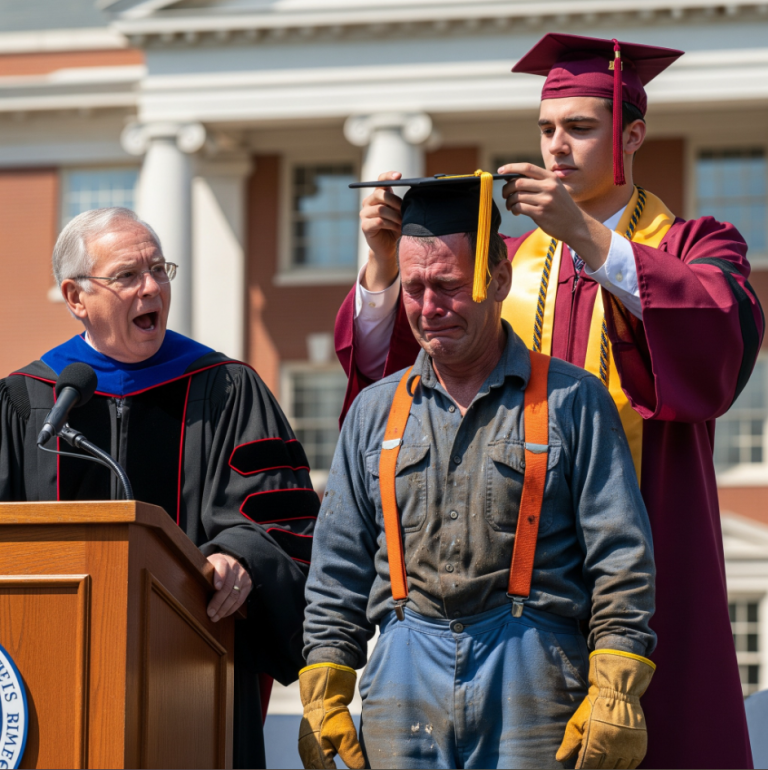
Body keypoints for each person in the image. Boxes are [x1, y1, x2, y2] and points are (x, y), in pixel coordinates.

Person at [335, 34, 763, 769]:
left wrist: (591, 241)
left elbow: (718, 339)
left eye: (580, 128)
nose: (557, 146)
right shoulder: (505, 261)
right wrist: (381, 263)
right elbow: (405, 383)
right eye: (546, 129)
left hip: (641, 549)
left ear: (632, 135)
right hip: (504, 598)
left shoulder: (694, 242)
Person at [301, 176, 657, 770]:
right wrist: (324, 689)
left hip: (537, 677)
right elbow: (337, 569)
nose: (427, 307)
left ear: (498, 280)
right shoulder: (373, 411)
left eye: (446, 286)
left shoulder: (575, 401)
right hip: (401, 677)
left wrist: (615, 688)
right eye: (413, 288)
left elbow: (621, 559)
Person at [0, 207, 318, 769]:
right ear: (76, 297)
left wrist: (241, 556)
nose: (151, 288)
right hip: (49, 683)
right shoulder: (26, 403)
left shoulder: (226, 389)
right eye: (127, 275)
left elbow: (283, 519)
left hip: (194, 674)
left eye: (159, 270)